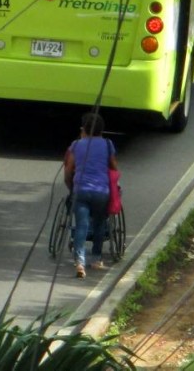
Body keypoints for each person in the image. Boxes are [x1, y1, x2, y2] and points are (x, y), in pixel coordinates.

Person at [63, 112, 118, 279]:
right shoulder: (108, 145)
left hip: (81, 190)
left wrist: (71, 187)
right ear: (102, 130)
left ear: (83, 129)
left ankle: (80, 262)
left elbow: (68, 170)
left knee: (81, 225)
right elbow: (114, 167)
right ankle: (96, 259)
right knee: (100, 223)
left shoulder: (76, 145)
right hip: (101, 192)